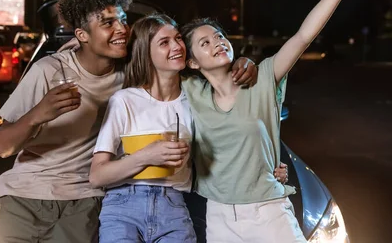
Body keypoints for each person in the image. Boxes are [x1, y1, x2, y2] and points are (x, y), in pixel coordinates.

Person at [0, 0, 259, 242]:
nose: (121, 28)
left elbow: (187, 71)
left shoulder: (131, 79)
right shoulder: (48, 71)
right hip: (25, 193)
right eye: (108, 23)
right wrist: (38, 114)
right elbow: (3, 147)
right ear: (82, 35)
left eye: (122, 20)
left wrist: (239, 62)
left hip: (84, 198)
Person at [180, 0, 354, 242]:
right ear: (192, 62)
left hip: (270, 211)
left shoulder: (263, 78)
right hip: (220, 216)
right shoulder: (188, 91)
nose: (217, 43)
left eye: (219, 36)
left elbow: (303, 35)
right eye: (205, 43)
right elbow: (147, 64)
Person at [89, 14, 289, 243]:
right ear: (145, 52)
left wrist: (268, 165)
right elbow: (97, 176)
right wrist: (146, 156)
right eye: (164, 43)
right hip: (124, 204)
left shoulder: (195, 100)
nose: (176, 46)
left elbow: (230, 136)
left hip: (174, 205)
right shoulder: (125, 100)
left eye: (178, 39)